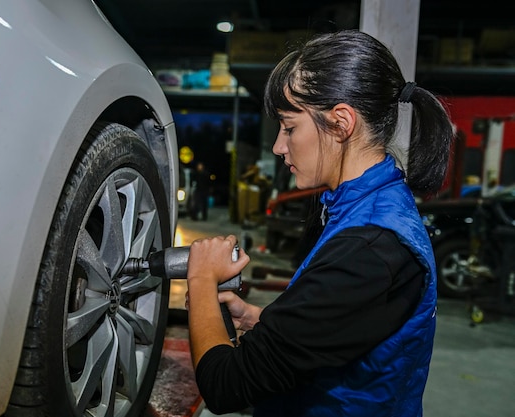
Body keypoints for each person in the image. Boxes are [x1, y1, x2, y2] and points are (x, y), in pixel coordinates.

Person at [185, 29, 453, 417]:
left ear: (341, 122)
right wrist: (268, 324)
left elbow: (226, 386)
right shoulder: (366, 208)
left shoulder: (371, 250)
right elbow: (351, 325)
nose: (279, 146)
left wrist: (201, 278)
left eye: (289, 127)